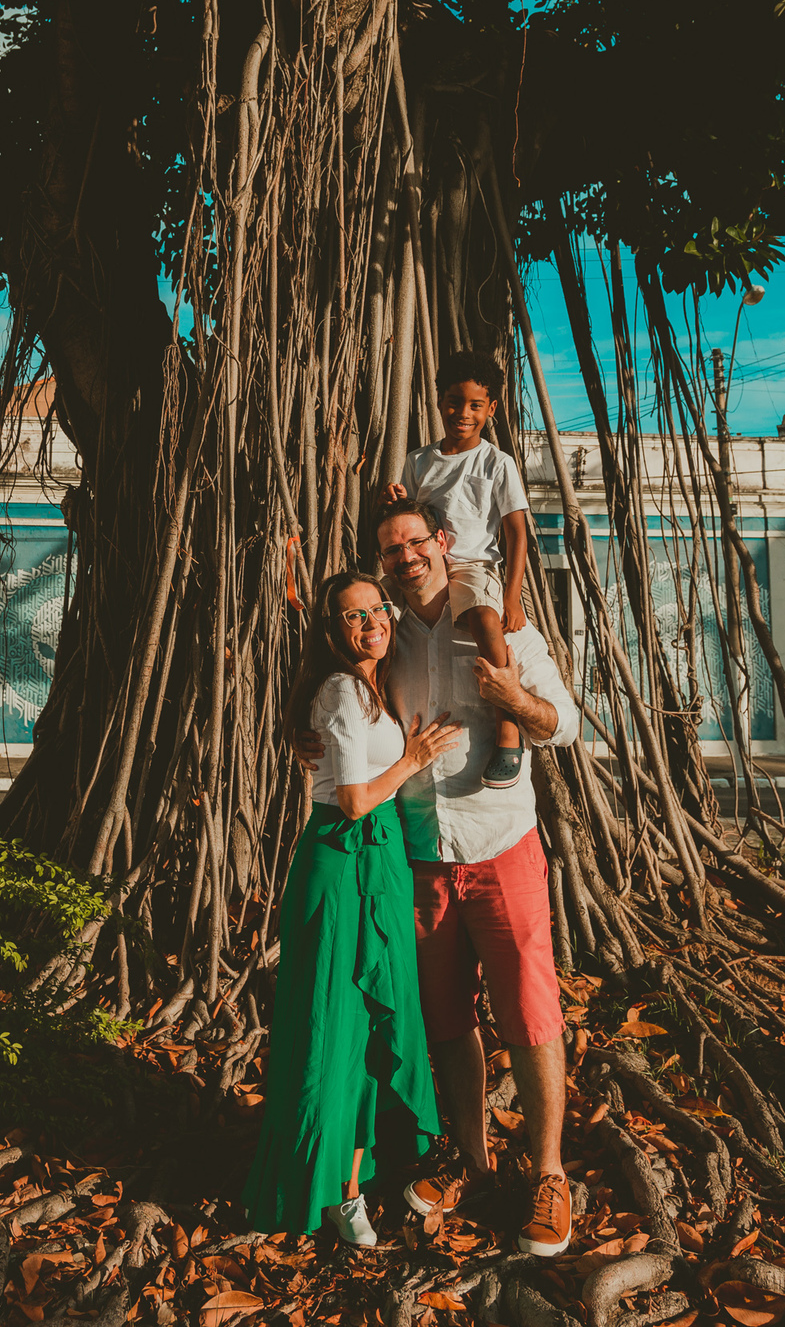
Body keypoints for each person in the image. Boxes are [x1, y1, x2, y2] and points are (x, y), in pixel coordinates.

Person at [299, 502, 580, 1258]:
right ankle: (475, 1162)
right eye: (391, 549)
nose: (405, 557)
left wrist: (515, 701)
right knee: (447, 1021)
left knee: (530, 1014)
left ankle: (550, 1175)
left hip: (501, 848)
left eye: (416, 542)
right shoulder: (383, 640)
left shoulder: (498, 622)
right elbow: (336, 680)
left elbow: (570, 721)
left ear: (442, 543)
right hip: (418, 860)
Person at [243, 570, 460, 1248]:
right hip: (342, 863)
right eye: (351, 616)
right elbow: (354, 799)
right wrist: (414, 758)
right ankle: (331, 1189)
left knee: (369, 1031)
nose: (369, 623)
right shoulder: (341, 688)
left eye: (376, 610)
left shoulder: (375, 685)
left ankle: (353, 1182)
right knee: (333, 1034)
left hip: (383, 863)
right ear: (331, 630)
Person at [383, 350, 529, 789]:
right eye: (453, 402)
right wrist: (393, 501)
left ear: (492, 409)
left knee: (485, 619)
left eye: (475, 405)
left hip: (471, 566)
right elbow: (407, 516)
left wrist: (512, 596)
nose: (462, 413)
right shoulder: (419, 461)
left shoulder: (497, 463)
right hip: (420, 565)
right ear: (439, 400)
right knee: (372, 609)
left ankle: (509, 725)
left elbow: (516, 533)